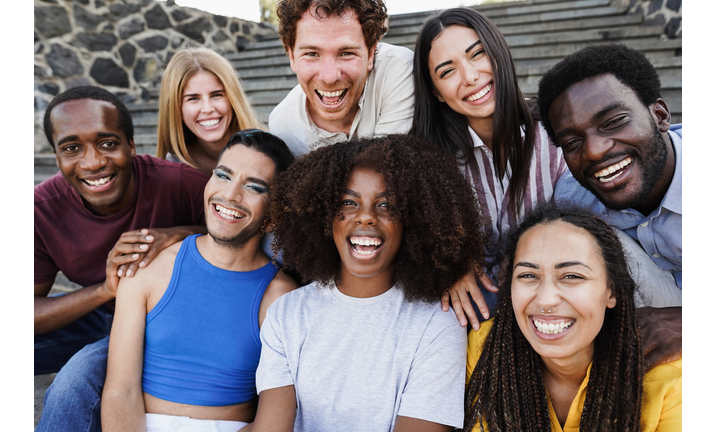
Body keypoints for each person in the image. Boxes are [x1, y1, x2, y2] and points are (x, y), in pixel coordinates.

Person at [250, 135, 489, 431]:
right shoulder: (287, 314)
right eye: (348, 202)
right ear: (325, 218)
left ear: (414, 221)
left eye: (387, 205)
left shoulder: (436, 324)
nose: (366, 217)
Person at [35, 86, 208, 432]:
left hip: (169, 321)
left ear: (131, 145)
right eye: (71, 148)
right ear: (56, 156)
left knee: (72, 384)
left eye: (108, 143)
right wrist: (104, 289)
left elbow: (246, 238)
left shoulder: (182, 184)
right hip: (100, 313)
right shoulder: (42, 209)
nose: (93, 161)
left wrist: (179, 233)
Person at [102, 130, 298, 432]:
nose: (230, 195)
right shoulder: (149, 267)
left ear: (273, 217)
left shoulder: (282, 296)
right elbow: (120, 391)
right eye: (223, 176)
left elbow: (272, 421)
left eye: (254, 187)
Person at [410, 8, 566, 328]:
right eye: (447, 71)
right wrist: (447, 264)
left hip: (558, 285)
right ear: (437, 93)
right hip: (483, 302)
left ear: (498, 51)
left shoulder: (558, 133)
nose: (470, 77)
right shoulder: (433, 162)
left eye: (477, 54)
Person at [464, 205, 681, 432]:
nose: (546, 300)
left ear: (612, 291)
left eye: (572, 276)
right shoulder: (486, 349)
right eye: (528, 275)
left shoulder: (671, 383)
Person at [538, 43, 682, 298]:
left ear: (659, 115)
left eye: (613, 122)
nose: (594, 151)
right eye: (572, 142)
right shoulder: (571, 199)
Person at [269, 0, 415, 157]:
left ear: (371, 54)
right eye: (312, 54)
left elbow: (387, 171)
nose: (330, 77)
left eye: (346, 53)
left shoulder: (399, 69)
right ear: (292, 57)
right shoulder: (282, 126)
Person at [157, 47, 263, 176]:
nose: (207, 109)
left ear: (233, 98)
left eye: (216, 95)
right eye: (193, 98)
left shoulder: (269, 154)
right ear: (175, 108)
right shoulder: (172, 168)